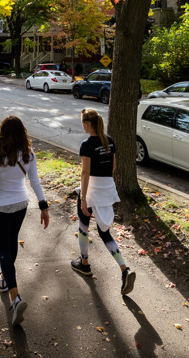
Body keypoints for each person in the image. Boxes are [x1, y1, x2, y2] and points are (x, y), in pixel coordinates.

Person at [0, 116, 50, 326]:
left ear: (2, 133)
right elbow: (35, 181)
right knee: (12, 243)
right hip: (21, 204)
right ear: (23, 133)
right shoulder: (29, 154)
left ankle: (15, 296)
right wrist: (43, 205)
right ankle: (5, 279)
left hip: (1, 206)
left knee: (4, 249)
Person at [71, 108, 136, 295]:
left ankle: (84, 264)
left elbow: (85, 172)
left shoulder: (87, 144)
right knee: (104, 231)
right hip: (108, 189)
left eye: (82, 122)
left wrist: (84, 198)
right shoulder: (110, 141)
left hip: (92, 189)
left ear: (86, 124)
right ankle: (125, 270)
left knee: (83, 226)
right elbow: (113, 166)